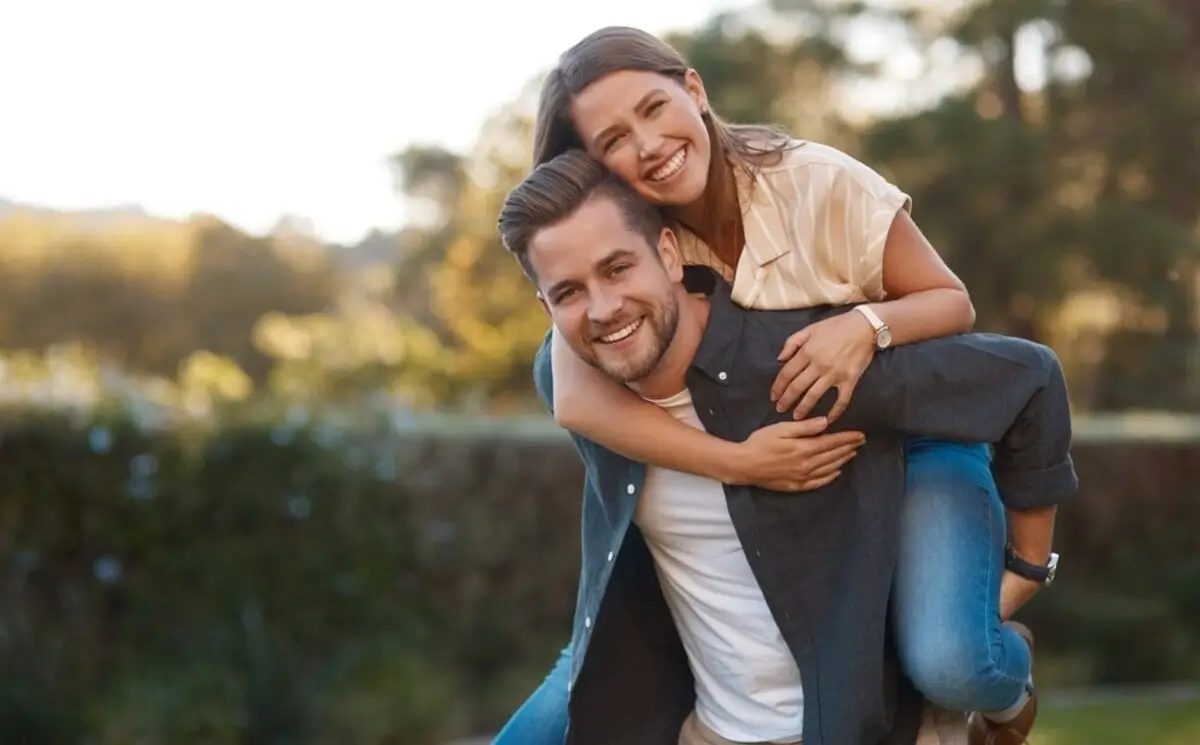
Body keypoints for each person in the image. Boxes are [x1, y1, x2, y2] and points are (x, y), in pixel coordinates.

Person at [496, 26, 1059, 745]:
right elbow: (572, 395)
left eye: (653, 108)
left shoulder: (813, 181)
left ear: (694, 90)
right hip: (781, 452)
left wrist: (865, 327)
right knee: (547, 718)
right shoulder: (635, 238)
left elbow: (952, 304)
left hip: (911, 425)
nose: (647, 144)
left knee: (952, 654)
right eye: (612, 140)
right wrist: (742, 462)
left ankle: (1006, 682)